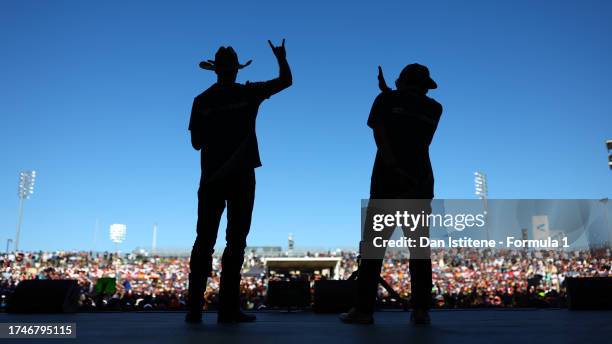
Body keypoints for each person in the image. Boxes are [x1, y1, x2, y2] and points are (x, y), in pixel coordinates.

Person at [186, 40, 292, 323]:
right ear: (235, 69)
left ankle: (194, 309)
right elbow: (286, 81)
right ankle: (228, 310)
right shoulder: (248, 93)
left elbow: (196, 143)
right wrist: (281, 57)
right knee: (236, 242)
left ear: (215, 70)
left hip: (211, 178)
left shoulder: (202, 100)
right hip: (242, 176)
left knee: (204, 240)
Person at [340, 63, 442, 325]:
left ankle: (363, 311)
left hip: (387, 184)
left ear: (401, 82)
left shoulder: (385, 100)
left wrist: (394, 167)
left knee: (373, 250)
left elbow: (382, 133)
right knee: (419, 250)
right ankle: (421, 311)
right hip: (420, 186)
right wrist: (390, 92)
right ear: (425, 86)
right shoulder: (434, 108)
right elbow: (409, 117)